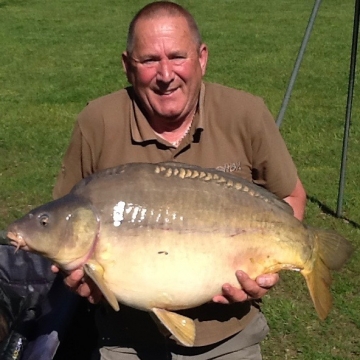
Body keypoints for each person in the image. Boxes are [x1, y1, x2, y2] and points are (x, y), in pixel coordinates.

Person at [52, 1, 307, 359]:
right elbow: (65, 220)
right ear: (127, 66)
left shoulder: (246, 113)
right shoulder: (98, 122)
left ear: (202, 58)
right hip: (125, 338)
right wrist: (80, 279)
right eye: (149, 60)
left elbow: (292, 197)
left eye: (177, 56)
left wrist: (268, 267)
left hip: (231, 334)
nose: (166, 74)